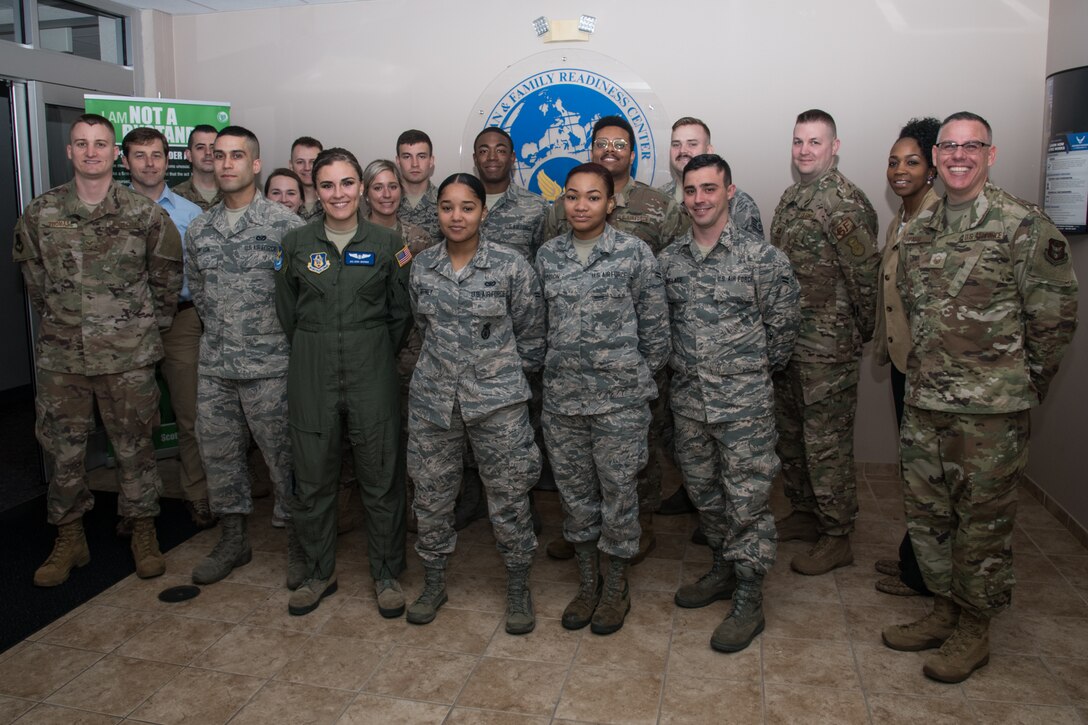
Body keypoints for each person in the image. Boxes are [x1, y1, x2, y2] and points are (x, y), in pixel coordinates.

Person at [883, 112, 1078, 683]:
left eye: (972, 146)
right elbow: (917, 313)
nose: (959, 155)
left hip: (990, 414)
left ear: (990, 154)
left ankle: (975, 627)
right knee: (929, 517)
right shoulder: (918, 228)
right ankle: (943, 609)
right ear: (937, 155)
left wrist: (1018, 387)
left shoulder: (1022, 225)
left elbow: (1054, 318)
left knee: (983, 525)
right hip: (926, 402)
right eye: (949, 146)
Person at [14, 113, 182, 585]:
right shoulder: (40, 213)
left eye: (101, 144)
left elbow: (165, 283)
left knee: (134, 446)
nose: (91, 151)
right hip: (62, 357)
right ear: (69, 151)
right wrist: (70, 323)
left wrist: (140, 331)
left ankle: (143, 528)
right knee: (62, 450)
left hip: (127, 356)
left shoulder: (144, 214)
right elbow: (36, 282)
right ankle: (70, 537)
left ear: (115, 155)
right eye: (81, 143)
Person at [661, 154, 800, 652]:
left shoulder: (762, 259)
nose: (699, 199)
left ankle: (749, 594)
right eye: (691, 190)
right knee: (704, 494)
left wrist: (744, 375)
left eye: (709, 189)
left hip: (743, 407)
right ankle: (722, 567)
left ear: (730, 192)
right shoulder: (669, 261)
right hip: (690, 404)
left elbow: (783, 333)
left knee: (747, 502)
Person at [543, 115, 689, 564]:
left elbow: (659, 306)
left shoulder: (652, 213)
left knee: (628, 472)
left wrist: (637, 371)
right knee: (578, 480)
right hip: (568, 389)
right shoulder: (551, 244)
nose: (580, 205)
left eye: (619, 143)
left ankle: (631, 536)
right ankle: (585, 542)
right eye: (573, 197)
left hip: (623, 382)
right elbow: (541, 312)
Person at [275, 149, 413, 617]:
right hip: (311, 368)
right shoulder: (295, 244)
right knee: (313, 478)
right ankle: (318, 572)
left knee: (381, 476)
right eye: (328, 185)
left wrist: (368, 347)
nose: (339, 194)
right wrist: (318, 346)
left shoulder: (387, 242)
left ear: (361, 187)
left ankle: (387, 573)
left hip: (371, 368)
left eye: (348, 183)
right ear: (316, 189)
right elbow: (287, 312)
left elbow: (401, 316)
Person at [407, 173, 545, 635]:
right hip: (434, 403)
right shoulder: (422, 266)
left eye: (467, 207)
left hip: (498, 404)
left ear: (483, 213)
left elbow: (531, 336)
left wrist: (497, 379)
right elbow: (420, 327)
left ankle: (518, 583)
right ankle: (433, 580)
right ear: (437, 212)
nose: (456, 216)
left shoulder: (511, 266)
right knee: (431, 496)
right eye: (447, 207)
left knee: (509, 496)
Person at [536, 163, 669, 635]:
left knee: (618, 496)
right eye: (572, 196)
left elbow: (656, 336)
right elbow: (538, 331)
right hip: (564, 404)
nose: (581, 205)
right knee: (576, 499)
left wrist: (625, 383)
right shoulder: (548, 257)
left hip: (619, 405)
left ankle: (616, 587)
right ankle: (587, 583)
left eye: (593, 197)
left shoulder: (634, 254)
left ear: (611, 203)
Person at [185, 126, 304, 589]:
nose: (227, 163)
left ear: (255, 164)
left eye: (237, 155)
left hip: (271, 367)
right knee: (220, 458)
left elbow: (301, 299)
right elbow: (199, 292)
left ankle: (300, 543)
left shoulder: (285, 226)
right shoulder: (199, 228)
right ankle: (234, 540)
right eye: (219, 155)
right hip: (216, 366)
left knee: (285, 461)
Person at [770, 109, 879, 575]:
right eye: (798, 142)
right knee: (792, 436)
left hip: (827, 349)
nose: (805, 151)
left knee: (826, 443)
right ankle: (804, 511)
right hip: (790, 344)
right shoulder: (792, 198)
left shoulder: (844, 203)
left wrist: (855, 335)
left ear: (835, 147)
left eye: (815, 142)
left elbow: (865, 280)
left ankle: (837, 534)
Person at [120, 126, 213, 531]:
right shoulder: (114, 210)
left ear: (168, 159)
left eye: (156, 154)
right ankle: (136, 505)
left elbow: (206, 273)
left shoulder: (191, 214)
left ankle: (197, 495)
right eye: (139, 155)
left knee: (190, 415)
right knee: (132, 419)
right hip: (125, 326)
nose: (149, 163)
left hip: (182, 319)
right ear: (125, 162)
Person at [872, 117, 941, 598]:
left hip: (934, 372)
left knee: (930, 474)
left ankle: (926, 575)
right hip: (905, 363)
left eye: (912, 161)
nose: (900, 170)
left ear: (933, 166)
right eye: (894, 161)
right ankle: (913, 558)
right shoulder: (904, 216)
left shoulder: (941, 217)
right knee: (917, 470)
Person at [363, 159, 437, 534]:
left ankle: (412, 509)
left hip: (412, 353)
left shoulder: (419, 238)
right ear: (366, 192)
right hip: (366, 352)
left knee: (412, 434)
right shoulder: (352, 236)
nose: (387, 194)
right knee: (369, 435)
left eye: (392, 186)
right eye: (378, 187)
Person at [658, 117, 765, 239]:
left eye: (692, 144)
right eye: (676, 144)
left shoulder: (738, 203)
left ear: (709, 150)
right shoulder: (657, 198)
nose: (682, 150)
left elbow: (754, 252)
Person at [396, 129, 440, 242]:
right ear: (398, 161)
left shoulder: (445, 202)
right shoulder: (385, 201)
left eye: (421, 156)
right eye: (407, 157)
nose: (414, 164)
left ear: (431, 160)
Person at [173, 125, 221, 211]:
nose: (208, 153)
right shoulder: (174, 197)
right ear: (189, 155)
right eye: (200, 148)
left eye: (213, 148)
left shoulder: (233, 194)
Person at [290, 136, 324, 220]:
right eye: (300, 162)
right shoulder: (283, 203)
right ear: (291, 165)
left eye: (313, 162)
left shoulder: (334, 202)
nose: (307, 168)